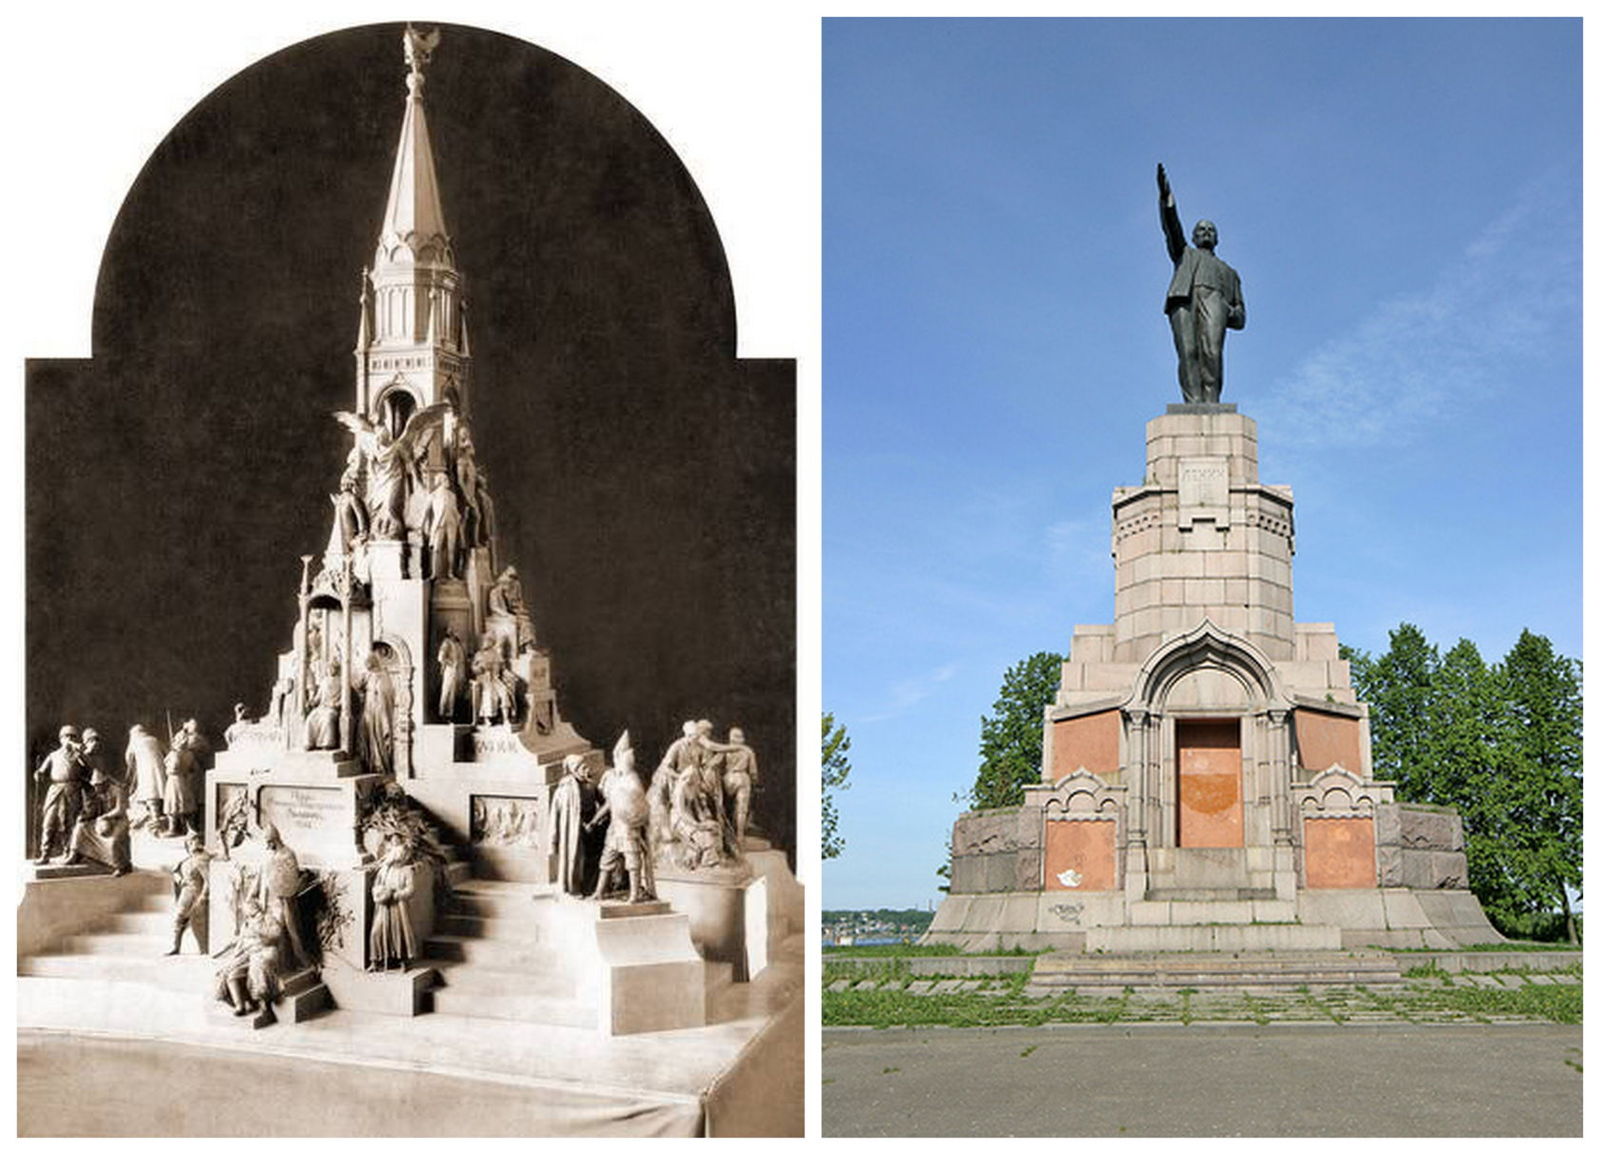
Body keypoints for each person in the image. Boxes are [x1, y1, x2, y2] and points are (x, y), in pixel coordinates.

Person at [1158, 163, 1245, 404]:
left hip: (1215, 303)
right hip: (1184, 300)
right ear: (1194, 237)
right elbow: (1172, 229)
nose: (1206, 232)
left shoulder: (1229, 273)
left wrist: (1228, 310)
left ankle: (1211, 401)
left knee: (1212, 354)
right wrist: (1167, 202)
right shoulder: (1185, 253)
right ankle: (1193, 402)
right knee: (1188, 353)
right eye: (1201, 229)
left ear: (1217, 238)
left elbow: (1241, 318)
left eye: (1210, 230)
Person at [587, 732, 653, 903]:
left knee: (633, 863)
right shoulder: (615, 780)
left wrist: (630, 810)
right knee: (606, 861)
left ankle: (634, 894)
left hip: (629, 829)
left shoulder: (632, 779)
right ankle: (599, 892)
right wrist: (595, 820)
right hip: (615, 828)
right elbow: (609, 804)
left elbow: (638, 804)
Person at [214, 897, 285, 1017]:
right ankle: (240, 1005)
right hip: (249, 954)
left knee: (257, 969)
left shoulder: (267, 918)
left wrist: (260, 931)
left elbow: (276, 933)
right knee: (230, 974)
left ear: (255, 907)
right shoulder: (246, 923)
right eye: (245, 909)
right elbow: (240, 940)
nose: (246, 910)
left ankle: (265, 1007)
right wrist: (228, 950)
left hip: (264, 951)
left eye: (248, 907)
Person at [62, 758, 132, 875]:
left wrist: (106, 817)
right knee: (81, 827)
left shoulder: (118, 790)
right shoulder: (97, 793)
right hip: (101, 820)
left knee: (114, 840)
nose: (96, 788)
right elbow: (93, 810)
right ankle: (75, 854)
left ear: (105, 783)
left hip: (119, 821)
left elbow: (120, 810)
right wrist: (85, 816)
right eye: (94, 785)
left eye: (98, 785)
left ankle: (121, 866)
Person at [254, 824, 307, 968]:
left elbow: (291, 878)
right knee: (274, 931)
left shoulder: (288, 854)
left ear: (274, 840)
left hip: (284, 900)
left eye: (269, 843)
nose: (268, 846)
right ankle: (282, 963)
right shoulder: (270, 855)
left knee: (289, 929)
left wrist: (282, 892)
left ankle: (300, 960)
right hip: (269, 900)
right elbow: (265, 876)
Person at [546, 754, 594, 896]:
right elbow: (555, 815)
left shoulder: (587, 784)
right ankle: (572, 887)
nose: (587, 769)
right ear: (574, 770)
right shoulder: (566, 790)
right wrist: (553, 840)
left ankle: (584, 886)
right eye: (583, 767)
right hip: (571, 830)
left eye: (586, 766)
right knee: (573, 857)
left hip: (585, 828)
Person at [368, 836, 417, 971]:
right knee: (376, 932)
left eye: (399, 854)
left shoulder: (407, 871)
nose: (396, 858)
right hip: (383, 906)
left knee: (399, 932)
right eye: (394, 854)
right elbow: (376, 885)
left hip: (398, 906)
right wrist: (380, 893)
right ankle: (375, 960)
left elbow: (411, 889)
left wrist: (397, 894)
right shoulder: (384, 870)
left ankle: (403, 961)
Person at [168, 833, 211, 955]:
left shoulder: (201, 860)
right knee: (178, 919)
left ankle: (203, 949)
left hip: (194, 893)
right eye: (190, 842)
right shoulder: (189, 859)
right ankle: (175, 947)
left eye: (195, 841)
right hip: (186, 891)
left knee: (191, 921)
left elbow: (208, 880)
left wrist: (203, 896)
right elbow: (178, 871)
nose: (192, 844)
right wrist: (178, 877)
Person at [718, 727, 760, 847]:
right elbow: (753, 772)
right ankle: (740, 835)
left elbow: (718, 765)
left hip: (728, 779)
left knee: (725, 806)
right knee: (742, 808)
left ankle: (724, 834)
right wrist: (755, 782)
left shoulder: (725, 749)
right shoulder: (748, 751)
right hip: (743, 778)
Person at [124, 723, 167, 832]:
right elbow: (167, 752)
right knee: (157, 791)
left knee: (150, 794)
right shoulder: (154, 740)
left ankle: (155, 819)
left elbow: (128, 758)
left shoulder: (135, 742)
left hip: (145, 771)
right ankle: (154, 818)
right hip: (159, 769)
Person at [358, 652, 395, 774]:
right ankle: (371, 764)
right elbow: (360, 686)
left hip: (380, 710)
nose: (368, 668)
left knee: (380, 735)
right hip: (369, 709)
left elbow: (387, 694)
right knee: (368, 735)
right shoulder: (369, 676)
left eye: (370, 665)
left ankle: (380, 765)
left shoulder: (383, 676)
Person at [422, 472, 463, 580]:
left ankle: (450, 572)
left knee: (451, 548)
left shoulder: (452, 495)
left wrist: (459, 517)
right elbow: (426, 513)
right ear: (440, 481)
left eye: (447, 480)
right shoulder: (433, 495)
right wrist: (424, 525)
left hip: (452, 523)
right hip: (439, 524)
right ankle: (434, 573)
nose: (447, 482)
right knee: (436, 548)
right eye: (445, 480)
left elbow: (455, 510)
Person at [436, 627, 465, 721]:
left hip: (457, 670)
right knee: (447, 690)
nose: (458, 633)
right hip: (450, 670)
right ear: (451, 632)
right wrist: (451, 663)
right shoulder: (446, 643)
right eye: (456, 631)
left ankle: (451, 714)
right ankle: (443, 713)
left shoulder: (457, 643)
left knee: (454, 692)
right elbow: (440, 657)